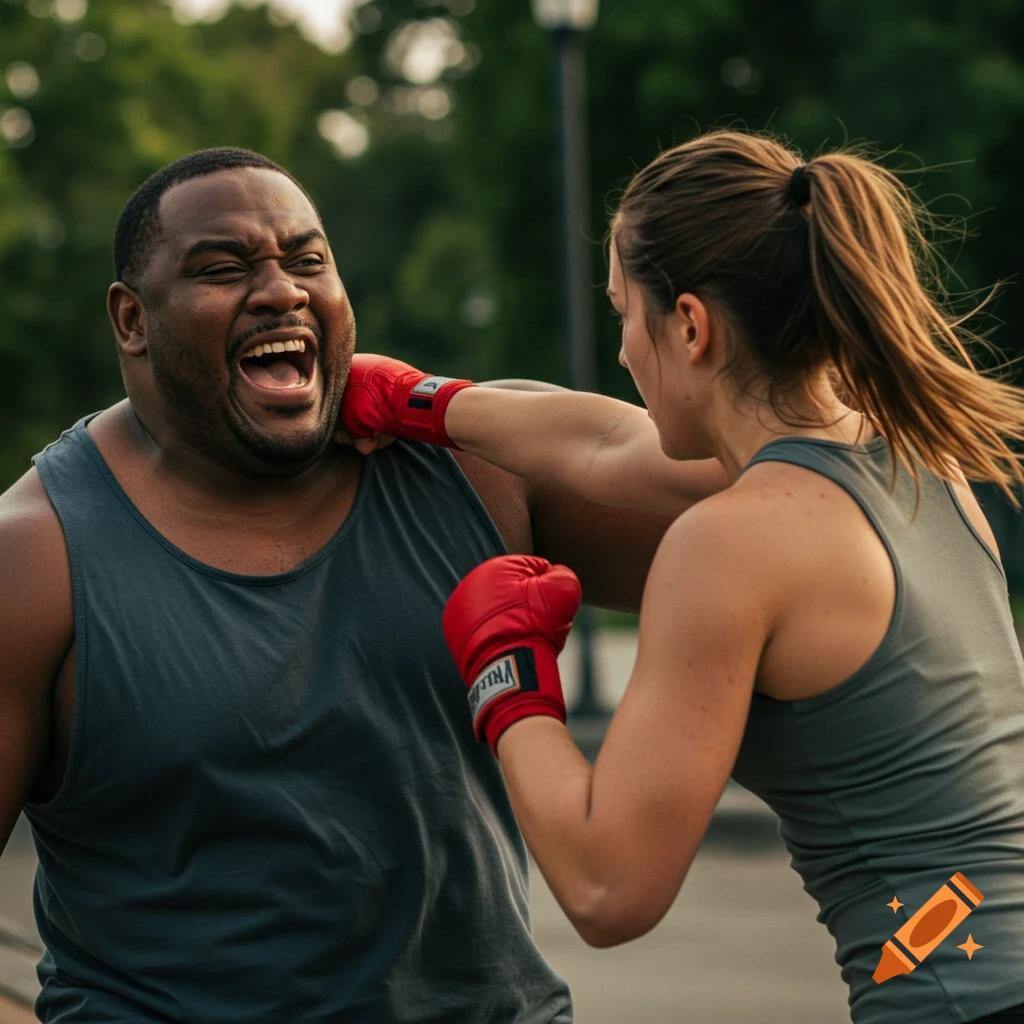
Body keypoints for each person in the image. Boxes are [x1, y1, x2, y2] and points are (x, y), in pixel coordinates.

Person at [0, 146, 721, 1022]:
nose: (279, 291)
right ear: (132, 319)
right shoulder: (32, 562)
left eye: (308, 260)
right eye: (223, 269)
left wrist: (449, 407)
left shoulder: (476, 465)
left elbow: (786, 486)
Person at [340, 130, 1024, 1024]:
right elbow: (603, 444)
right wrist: (426, 402)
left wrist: (503, 672)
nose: (624, 351)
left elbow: (607, 887)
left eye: (627, 312)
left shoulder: (732, 542)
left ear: (693, 326)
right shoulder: (905, 454)